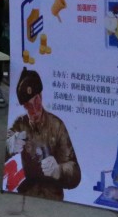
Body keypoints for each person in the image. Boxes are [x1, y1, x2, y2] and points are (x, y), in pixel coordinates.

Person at [5, 68, 81, 200]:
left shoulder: (57, 126)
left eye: (36, 102)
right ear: (24, 107)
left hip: (53, 196)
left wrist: (59, 170)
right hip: (26, 193)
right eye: (28, 106)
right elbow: (5, 144)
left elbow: (75, 172)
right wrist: (9, 146)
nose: (34, 110)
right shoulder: (20, 124)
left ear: (41, 96)